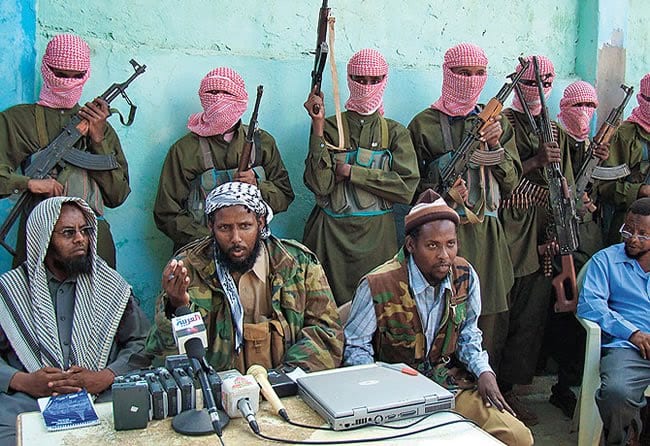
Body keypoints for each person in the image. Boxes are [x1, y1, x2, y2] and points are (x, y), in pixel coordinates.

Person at [343, 190, 533, 446]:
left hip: (447, 385)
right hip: (394, 396)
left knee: (518, 437)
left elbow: (468, 336)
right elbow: (356, 348)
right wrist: (376, 394)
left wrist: (484, 372)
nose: (444, 255)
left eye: (450, 244)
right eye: (433, 245)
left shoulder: (464, 276)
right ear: (411, 245)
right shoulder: (378, 284)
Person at [408, 43, 521, 375]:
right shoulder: (424, 124)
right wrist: (446, 193)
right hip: (442, 236)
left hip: (487, 233)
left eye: (478, 73)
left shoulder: (496, 122)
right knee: (443, 310)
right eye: (462, 72)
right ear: (447, 72)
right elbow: (411, 189)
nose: (471, 80)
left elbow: (512, 180)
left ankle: (489, 384)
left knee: (492, 314)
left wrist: (496, 143)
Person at [147, 182, 343, 373]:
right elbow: (164, 354)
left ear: (261, 222)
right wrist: (177, 307)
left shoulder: (297, 264)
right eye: (224, 228)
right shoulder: (188, 269)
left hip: (285, 386)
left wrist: (284, 378)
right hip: (218, 393)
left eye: (245, 226)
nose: (236, 238)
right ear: (210, 226)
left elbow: (327, 335)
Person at [0, 197, 151, 446]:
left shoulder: (110, 286)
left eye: (85, 231)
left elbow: (143, 341)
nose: (80, 239)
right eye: (68, 233)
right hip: (28, 399)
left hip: (101, 393)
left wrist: (107, 375)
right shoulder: (11, 291)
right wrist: (23, 381)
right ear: (44, 239)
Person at [0, 34, 131, 268]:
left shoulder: (100, 125)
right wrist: (28, 183)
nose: (67, 82)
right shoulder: (17, 120)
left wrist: (98, 139)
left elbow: (117, 195)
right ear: (46, 69)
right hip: (40, 237)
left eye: (76, 76)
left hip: (92, 241)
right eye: (60, 74)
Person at [303, 48, 419, 306]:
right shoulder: (331, 127)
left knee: (377, 311)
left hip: (378, 241)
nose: (367, 86)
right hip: (331, 239)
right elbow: (320, 185)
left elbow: (405, 188)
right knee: (326, 312)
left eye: (375, 80)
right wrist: (318, 126)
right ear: (348, 80)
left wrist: (352, 172)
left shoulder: (394, 133)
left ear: (384, 81)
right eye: (360, 79)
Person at [497, 55, 575, 425]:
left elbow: (565, 186)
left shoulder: (554, 128)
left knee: (530, 317)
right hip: (510, 228)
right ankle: (490, 388)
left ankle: (512, 389)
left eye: (545, 81)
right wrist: (535, 160)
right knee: (500, 312)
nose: (537, 90)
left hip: (544, 229)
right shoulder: (504, 122)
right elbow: (506, 179)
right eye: (531, 82)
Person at [154, 66, 294, 253]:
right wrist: (213, 240)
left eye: (226, 93)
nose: (219, 99)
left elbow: (284, 196)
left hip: (253, 253)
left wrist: (258, 185)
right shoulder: (184, 150)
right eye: (212, 93)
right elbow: (167, 213)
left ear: (240, 98)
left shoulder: (262, 143)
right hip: (200, 253)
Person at [542, 80, 610, 417]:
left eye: (590, 107)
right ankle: (561, 385)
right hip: (561, 238)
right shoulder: (556, 139)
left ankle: (574, 381)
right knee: (564, 315)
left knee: (588, 309)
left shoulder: (590, 146)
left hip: (589, 240)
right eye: (577, 106)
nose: (584, 113)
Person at [577, 197, 650, 446]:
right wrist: (631, 332)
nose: (632, 238)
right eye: (628, 229)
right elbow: (590, 305)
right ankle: (624, 437)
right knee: (616, 393)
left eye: (642, 234)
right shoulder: (605, 261)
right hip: (627, 348)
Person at [600, 73, 650, 246]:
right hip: (631, 229)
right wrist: (640, 190)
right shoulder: (625, 135)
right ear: (641, 98)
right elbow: (605, 188)